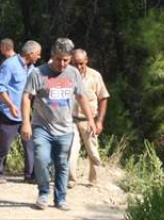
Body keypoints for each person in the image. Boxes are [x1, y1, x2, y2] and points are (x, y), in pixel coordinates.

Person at [21, 38, 97, 211]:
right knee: (41, 159)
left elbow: (81, 97)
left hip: (65, 129)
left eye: (66, 60)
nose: (62, 64)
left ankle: (60, 198)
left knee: (62, 164)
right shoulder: (38, 73)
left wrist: (91, 120)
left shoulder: (73, 74)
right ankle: (43, 193)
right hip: (42, 126)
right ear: (52, 56)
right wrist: (26, 123)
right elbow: (27, 97)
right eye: (58, 59)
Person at [0, 40, 41, 184]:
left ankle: (30, 174)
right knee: (4, 144)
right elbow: (0, 88)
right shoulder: (9, 65)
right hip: (7, 112)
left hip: (25, 113)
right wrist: (11, 105)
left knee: (30, 142)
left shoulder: (32, 68)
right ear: (30, 54)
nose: (39, 57)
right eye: (37, 54)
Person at [69, 49, 110, 187]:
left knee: (93, 151)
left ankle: (94, 181)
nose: (78, 67)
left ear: (86, 61)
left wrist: (99, 121)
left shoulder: (94, 76)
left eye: (81, 63)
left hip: (89, 120)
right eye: (74, 64)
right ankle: (71, 180)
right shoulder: (65, 75)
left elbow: (103, 97)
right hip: (71, 119)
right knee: (71, 150)